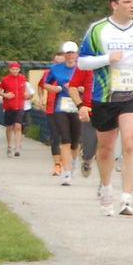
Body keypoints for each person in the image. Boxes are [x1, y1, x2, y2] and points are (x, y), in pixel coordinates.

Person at [77, 0, 133, 217]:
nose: (132, 6)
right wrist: (106, 58)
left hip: (132, 93)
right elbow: (82, 62)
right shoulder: (98, 30)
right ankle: (106, 188)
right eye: (127, 2)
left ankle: (127, 198)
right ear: (114, 5)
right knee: (106, 148)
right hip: (104, 95)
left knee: (130, 143)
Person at [42, 43, 91, 184]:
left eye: (73, 53)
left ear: (77, 54)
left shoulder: (83, 68)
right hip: (61, 107)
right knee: (65, 139)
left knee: (75, 142)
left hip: (77, 106)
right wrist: (55, 88)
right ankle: (67, 172)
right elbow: (45, 83)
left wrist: (80, 89)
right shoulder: (56, 68)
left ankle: (74, 160)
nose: (70, 56)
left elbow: (90, 86)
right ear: (64, 54)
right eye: (68, 53)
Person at [0, 61, 29, 156]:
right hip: (9, 106)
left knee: (18, 126)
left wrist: (26, 93)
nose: (15, 71)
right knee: (9, 127)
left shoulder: (22, 78)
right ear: (10, 70)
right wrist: (5, 95)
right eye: (13, 69)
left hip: (20, 105)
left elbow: (24, 88)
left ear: (19, 69)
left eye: (16, 69)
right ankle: (9, 145)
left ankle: (17, 147)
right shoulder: (5, 79)